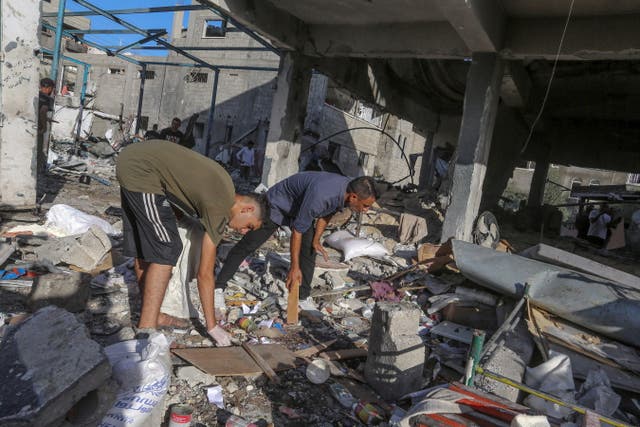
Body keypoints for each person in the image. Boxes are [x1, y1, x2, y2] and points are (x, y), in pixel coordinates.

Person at [116, 140, 268, 345]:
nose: (242, 232)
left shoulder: (224, 188)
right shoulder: (220, 207)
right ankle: (146, 327)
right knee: (168, 248)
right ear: (247, 209)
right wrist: (212, 326)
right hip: (143, 171)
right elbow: (204, 274)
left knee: (146, 248)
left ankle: (153, 315)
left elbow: (180, 186)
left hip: (134, 162)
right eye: (248, 226)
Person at [217, 172, 378, 299]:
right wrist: (294, 268)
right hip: (276, 205)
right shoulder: (322, 195)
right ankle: (219, 286)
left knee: (309, 250)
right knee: (248, 245)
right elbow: (297, 231)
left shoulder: (347, 190)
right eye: (365, 206)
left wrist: (316, 240)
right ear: (354, 197)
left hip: (300, 208)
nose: (366, 210)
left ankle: (303, 297)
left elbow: (326, 214)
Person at [37, 78, 55, 176]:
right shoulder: (48, 99)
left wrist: (47, 119)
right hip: (38, 130)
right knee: (38, 154)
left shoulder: (35, 95)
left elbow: (37, 112)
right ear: (49, 88)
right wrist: (44, 128)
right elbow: (43, 111)